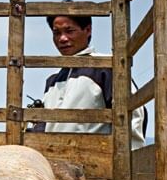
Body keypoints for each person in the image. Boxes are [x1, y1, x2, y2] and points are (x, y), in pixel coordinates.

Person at [42, 12, 147, 149]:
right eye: (56, 33)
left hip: (96, 160)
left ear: (87, 30)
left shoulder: (105, 67)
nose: (62, 38)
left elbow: (134, 114)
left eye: (69, 31)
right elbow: (43, 123)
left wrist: (131, 158)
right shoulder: (52, 82)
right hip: (52, 161)